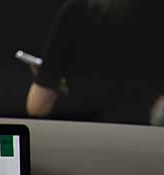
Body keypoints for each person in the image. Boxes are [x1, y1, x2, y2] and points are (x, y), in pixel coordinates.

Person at [26, 0, 164, 124]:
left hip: (86, 135)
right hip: (147, 137)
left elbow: (37, 107)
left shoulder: (77, 10)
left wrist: (51, 81)